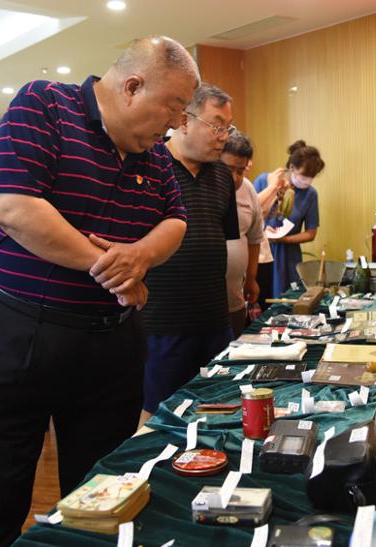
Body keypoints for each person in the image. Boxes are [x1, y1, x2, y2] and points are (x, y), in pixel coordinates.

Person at [0, 36, 199, 546]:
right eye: (174, 107)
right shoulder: (44, 105)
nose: (178, 123)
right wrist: (114, 270)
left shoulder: (153, 155)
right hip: (13, 332)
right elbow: (14, 207)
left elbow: (175, 219)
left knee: (102, 498)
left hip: (109, 343)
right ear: (132, 87)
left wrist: (140, 257)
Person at [140, 83, 239, 420]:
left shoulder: (222, 175)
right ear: (183, 120)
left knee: (220, 412)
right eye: (216, 126)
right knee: (160, 417)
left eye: (228, 128)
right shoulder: (149, 165)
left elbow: (224, 239)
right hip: (162, 323)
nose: (223, 137)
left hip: (215, 320)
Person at [254, 141, 325, 297]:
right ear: (292, 167)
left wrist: (283, 239)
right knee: (261, 297)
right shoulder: (265, 181)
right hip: (261, 250)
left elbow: (310, 233)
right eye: (304, 176)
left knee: (288, 298)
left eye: (311, 177)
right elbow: (249, 216)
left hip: (289, 255)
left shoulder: (310, 194)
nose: (306, 181)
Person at [220, 131, 264, 337]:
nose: (235, 178)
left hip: (235, 300)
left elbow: (255, 238)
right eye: (228, 169)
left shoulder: (248, 189)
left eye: (240, 171)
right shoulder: (206, 187)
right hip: (204, 303)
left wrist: (251, 279)